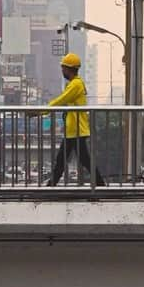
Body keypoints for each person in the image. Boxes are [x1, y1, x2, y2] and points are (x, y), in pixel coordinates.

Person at [46, 53, 105, 187]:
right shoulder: (75, 84)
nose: (62, 71)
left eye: (63, 68)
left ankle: (51, 185)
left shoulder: (76, 85)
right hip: (74, 129)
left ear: (69, 69)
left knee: (64, 160)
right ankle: (100, 184)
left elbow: (61, 100)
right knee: (80, 160)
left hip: (76, 130)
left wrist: (40, 111)